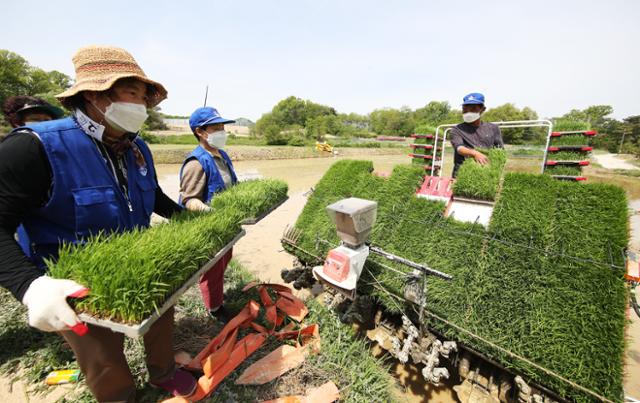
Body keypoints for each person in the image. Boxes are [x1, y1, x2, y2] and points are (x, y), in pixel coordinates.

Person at [0, 45, 197, 402]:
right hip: (76, 283)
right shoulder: (34, 147)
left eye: (143, 97)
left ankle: (164, 374)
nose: (140, 105)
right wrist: (29, 286)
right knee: (103, 357)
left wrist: (192, 219)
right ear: (94, 95)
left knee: (161, 317)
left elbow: (150, 196)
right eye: (130, 93)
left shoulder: (137, 148)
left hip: (143, 262)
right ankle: (121, 397)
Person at [179, 106, 237, 321]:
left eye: (222, 127)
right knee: (213, 266)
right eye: (216, 128)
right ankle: (215, 309)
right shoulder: (196, 163)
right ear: (200, 132)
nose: (222, 131)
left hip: (226, 222)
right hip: (208, 225)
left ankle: (217, 296)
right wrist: (213, 213)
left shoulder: (221, 155)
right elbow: (189, 201)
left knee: (225, 258)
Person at [449, 92, 504, 177]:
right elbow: (459, 148)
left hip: (486, 174)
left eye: (473, 109)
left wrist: (496, 169)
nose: (468, 112)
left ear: (483, 109)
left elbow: (500, 151)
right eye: (465, 109)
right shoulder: (456, 130)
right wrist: (475, 154)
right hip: (462, 175)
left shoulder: (493, 128)